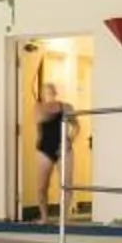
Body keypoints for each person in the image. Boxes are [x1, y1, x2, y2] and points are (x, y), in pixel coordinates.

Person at [33, 79, 74, 223]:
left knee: (66, 184)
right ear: (42, 93)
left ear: (55, 92)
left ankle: (64, 217)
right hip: (44, 148)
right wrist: (49, 110)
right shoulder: (38, 107)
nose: (48, 92)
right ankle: (44, 217)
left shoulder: (67, 107)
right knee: (41, 186)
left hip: (63, 147)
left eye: (51, 90)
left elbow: (76, 127)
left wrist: (69, 140)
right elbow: (40, 119)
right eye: (45, 90)